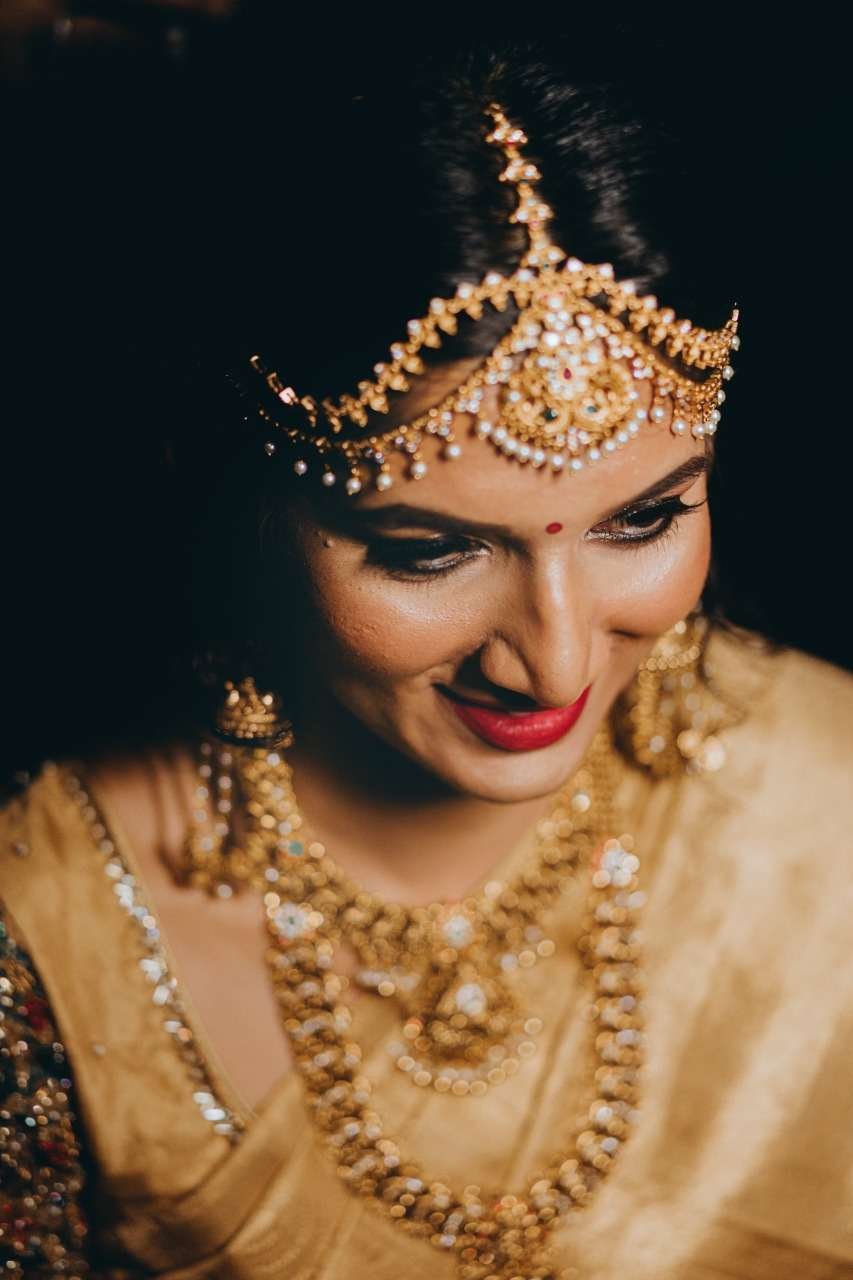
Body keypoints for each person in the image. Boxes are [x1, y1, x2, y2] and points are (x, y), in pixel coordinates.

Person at [2, 39, 852, 1280]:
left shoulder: (827, 802)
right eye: (425, 551)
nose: (555, 659)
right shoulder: (45, 937)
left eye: (643, 519)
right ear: (241, 509)